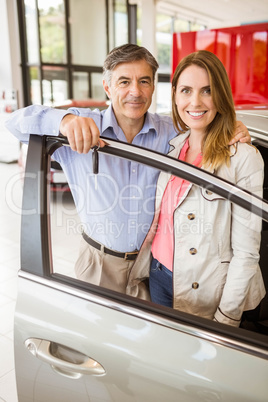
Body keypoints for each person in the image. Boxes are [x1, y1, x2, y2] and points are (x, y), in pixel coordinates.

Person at [6, 44, 251, 295]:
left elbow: (207, 125)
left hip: (151, 267)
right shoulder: (83, 127)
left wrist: (236, 127)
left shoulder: (172, 132)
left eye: (144, 81)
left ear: (154, 87)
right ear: (107, 87)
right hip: (99, 264)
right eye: (124, 82)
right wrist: (64, 120)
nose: (135, 91)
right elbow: (14, 122)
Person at [126, 50, 265, 327]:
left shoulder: (242, 158)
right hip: (159, 275)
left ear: (221, 95)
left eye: (207, 91)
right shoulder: (173, 146)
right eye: (186, 90)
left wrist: (227, 319)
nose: (195, 102)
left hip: (206, 288)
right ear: (175, 93)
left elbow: (247, 253)